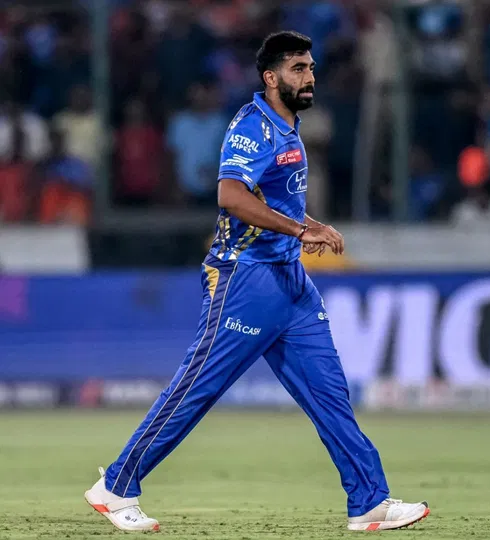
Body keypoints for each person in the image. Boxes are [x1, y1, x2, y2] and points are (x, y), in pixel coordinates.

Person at [83, 31, 430, 533]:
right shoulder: (253, 127)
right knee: (196, 389)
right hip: (244, 281)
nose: (308, 77)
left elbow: (276, 202)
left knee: (330, 395)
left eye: (310, 68)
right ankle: (115, 486)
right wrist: (299, 229)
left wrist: (305, 224)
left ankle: (370, 502)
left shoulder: (288, 128)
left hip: (290, 284)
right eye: (297, 69)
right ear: (271, 79)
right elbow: (230, 196)